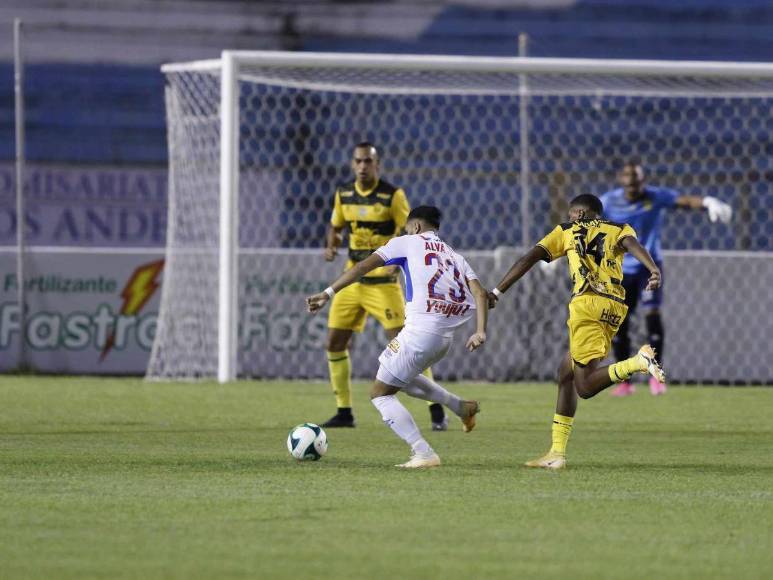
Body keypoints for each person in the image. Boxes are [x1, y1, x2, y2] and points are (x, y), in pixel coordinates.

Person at [488, 194, 665, 470]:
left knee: (584, 386)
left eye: (572, 214)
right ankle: (556, 453)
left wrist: (497, 291)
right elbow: (633, 245)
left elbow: (530, 257)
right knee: (566, 371)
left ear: (581, 213)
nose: (570, 218)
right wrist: (653, 269)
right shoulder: (619, 228)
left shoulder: (567, 231)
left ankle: (638, 362)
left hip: (586, 305)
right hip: (615, 307)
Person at [307, 206, 487, 468]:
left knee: (380, 394)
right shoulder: (454, 255)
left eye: (406, 228)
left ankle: (423, 452)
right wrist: (480, 330)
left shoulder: (406, 242)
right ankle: (461, 407)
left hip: (419, 334)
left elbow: (361, 267)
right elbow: (480, 294)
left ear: (414, 227)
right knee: (402, 378)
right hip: (443, 340)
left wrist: (328, 293)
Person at [322, 142, 447, 430]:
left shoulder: (392, 196)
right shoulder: (344, 194)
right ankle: (344, 412)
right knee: (334, 342)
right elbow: (336, 226)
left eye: (368, 161)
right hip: (353, 281)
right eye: (358, 161)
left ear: (377, 165)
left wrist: (398, 260)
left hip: (384, 285)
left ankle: (436, 409)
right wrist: (331, 245)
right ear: (353, 164)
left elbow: (413, 231)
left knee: (410, 347)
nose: (363, 166)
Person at [600, 161, 732, 396]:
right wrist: (558, 253)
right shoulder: (609, 201)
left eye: (637, 177)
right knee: (619, 321)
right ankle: (624, 382)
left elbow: (684, 201)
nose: (633, 182)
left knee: (652, 315)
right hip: (620, 269)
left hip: (650, 266)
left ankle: (656, 378)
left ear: (643, 180)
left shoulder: (655, 196)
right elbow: (583, 222)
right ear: (621, 179)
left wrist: (707, 202)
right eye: (628, 177)